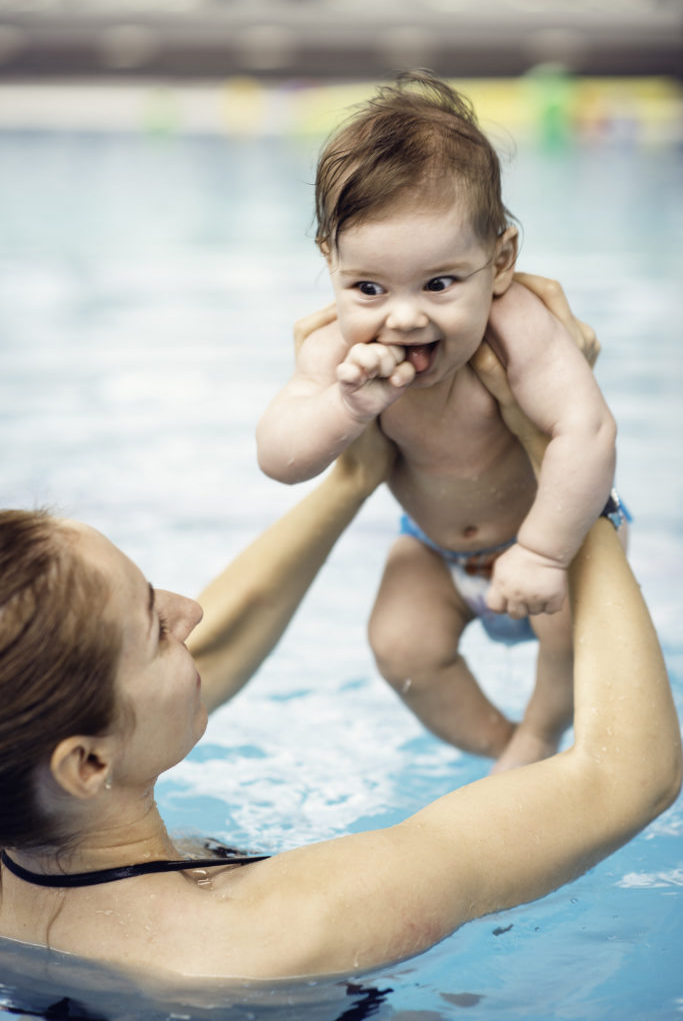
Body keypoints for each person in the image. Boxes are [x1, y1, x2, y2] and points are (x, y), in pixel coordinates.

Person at [0, 288, 680, 983]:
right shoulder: (291, 921)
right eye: (156, 626)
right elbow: (627, 776)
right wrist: (561, 461)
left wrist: (353, 475)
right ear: (85, 765)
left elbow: (207, 656)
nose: (191, 614)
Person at [256, 71, 621, 771]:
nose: (403, 315)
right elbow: (279, 457)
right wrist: (343, 405)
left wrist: (543, 550)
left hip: (551, 534)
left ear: (500, 261)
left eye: (439, 283)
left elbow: (587, 430)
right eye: (368, 287)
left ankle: (541, 733)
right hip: (432, 548)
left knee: (571, 632)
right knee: (399, 644)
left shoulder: (521, 328)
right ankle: (503, 750)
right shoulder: (334, 347)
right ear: (328, 263)